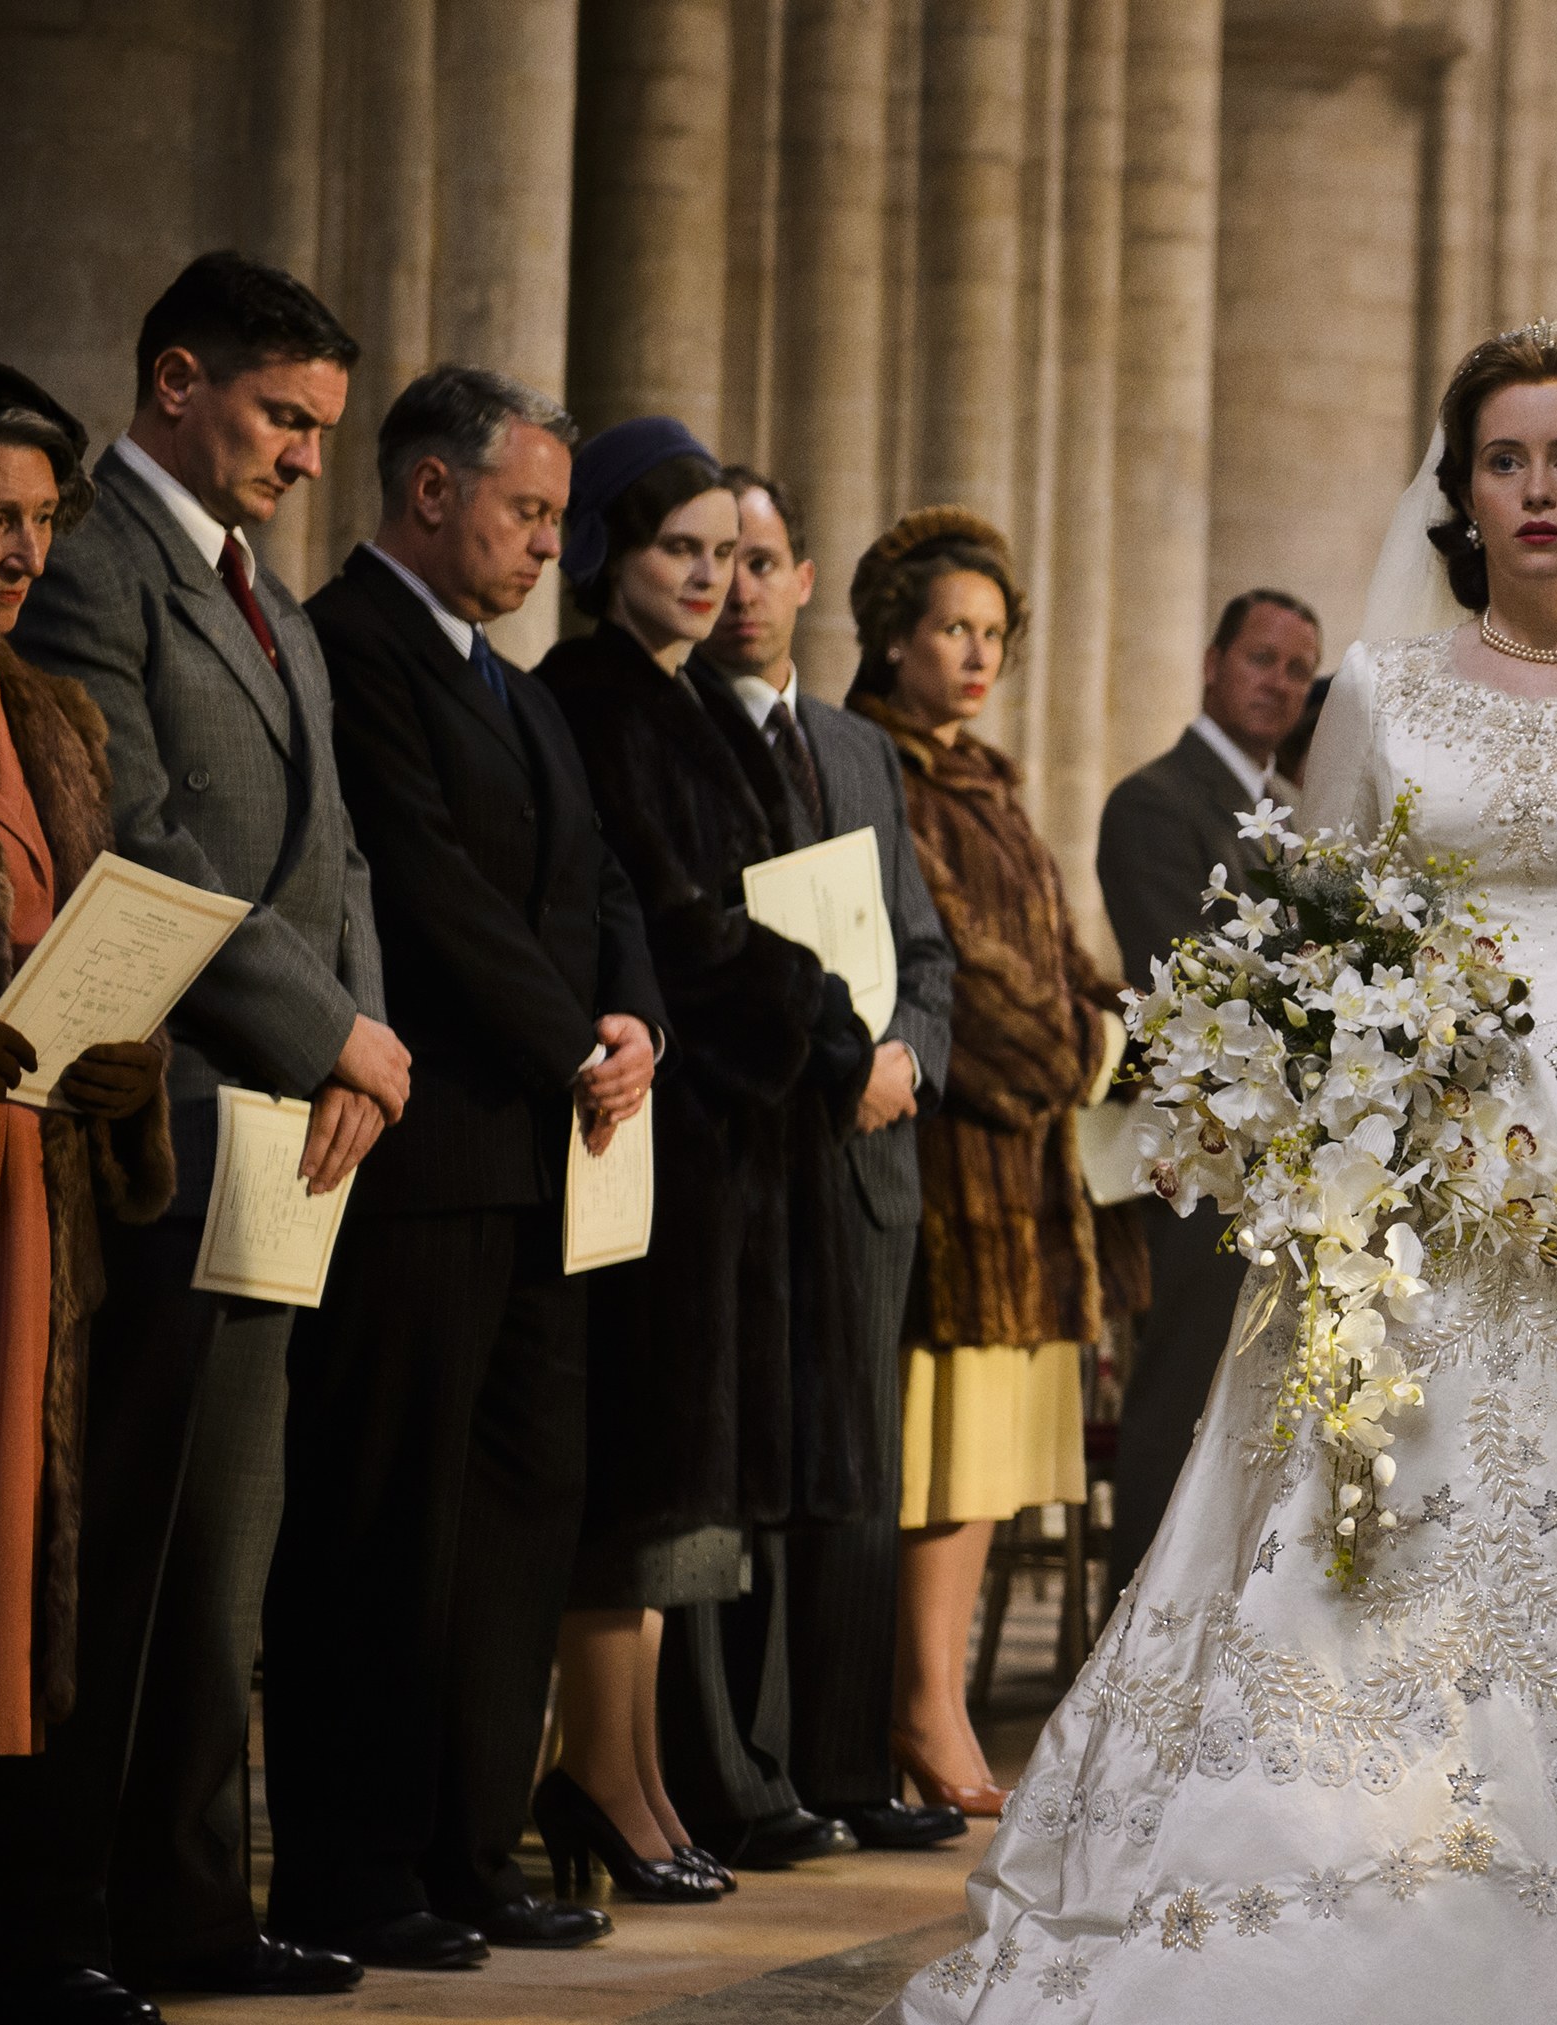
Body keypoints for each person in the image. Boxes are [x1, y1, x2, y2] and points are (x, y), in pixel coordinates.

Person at [889, 322, 1557, 2021]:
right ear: (1461, 490)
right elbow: (1314, 930)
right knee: (1373, 1523)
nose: (1538, 490)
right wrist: (1303, 1098)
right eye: (1505, 460)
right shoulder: (1378, 689)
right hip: (1413, 1172)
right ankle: (1324, 1868)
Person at [10, 252, 398, 2016]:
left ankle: (187, 1902)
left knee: (226, 1544)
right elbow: (137, 839)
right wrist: (331, 1032)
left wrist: (359, 1048)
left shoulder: (269, 598)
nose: (310, 457)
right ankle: (68, 1913)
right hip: (158, 1119)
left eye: (321, 426)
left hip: (287, 1127)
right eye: (284, 417)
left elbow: (340, 854)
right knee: (131, 1549)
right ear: (177, 381)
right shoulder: (96, 569)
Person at [268, 365, 662, 1965]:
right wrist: (573, 1040)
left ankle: (470, 1847)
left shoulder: (514, 684)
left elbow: (603, 876)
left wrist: (635, 1017)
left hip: (546, 1161)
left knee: (514, 1523)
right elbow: (427, 893)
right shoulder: (350, 644)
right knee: (388, 1522)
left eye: (560, 519)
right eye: (531, 511)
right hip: (420, 1158)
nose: (552, 547)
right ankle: (354, 1870)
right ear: (432, 490)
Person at [537, 420, 877, 1905]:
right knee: (644, 1473)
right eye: (680, 548)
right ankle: (604, 1773)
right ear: (611, 548)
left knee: (684, 1480)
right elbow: (685, 923)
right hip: (651, 1128)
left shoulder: (680, 701)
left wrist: (808, 1006)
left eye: (730, 555)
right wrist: (823, 1016)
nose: (710, 577)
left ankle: (638, 1776)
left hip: (722, 1144)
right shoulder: (602, 699)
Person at [653, 464, 965, 1863]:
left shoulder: (854, 749)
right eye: (716, 559)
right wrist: (829, 1063)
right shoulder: (671, 731)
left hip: (865, 1155)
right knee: (736, 1477)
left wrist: (908, 1060)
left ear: (803, 579)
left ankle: (847, 1766)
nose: (740, 587)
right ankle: (737, 1773)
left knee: (857, 1476)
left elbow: (925, 951)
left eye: (763, 560)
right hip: (743, 1146)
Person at [843, 508, 1124, 1821]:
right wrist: (1081, 1047)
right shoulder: (880, 770)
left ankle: (936, 1696)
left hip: (1026, 1175)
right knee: (939, 1456)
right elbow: (963, 971)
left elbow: (1058, 953)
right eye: (952, 629)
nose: (975, 656)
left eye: (994, 634)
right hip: (951, 1160)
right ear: (893, 635)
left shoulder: (989, 781)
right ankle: (920, 1703)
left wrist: (1119, 1022)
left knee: (989, 1465)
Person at [0, 357, 179, 2025]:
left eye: (40, 520)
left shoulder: (50, 708)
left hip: (31, 1186)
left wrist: (127, 1054)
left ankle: (17, 1922)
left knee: (17, 1558)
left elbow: (92, 920)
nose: (20, 552)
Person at [1095, 585, 1319, 1589]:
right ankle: (1128, 1634)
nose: (1280, 683)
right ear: (1213, 662)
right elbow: (1183, 983)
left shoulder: (1290, 819)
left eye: (1298, 669)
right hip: (1202, 1156)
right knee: (1180, 1404)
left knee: (1264, 1418)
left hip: (1290, 1161)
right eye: (1261, 659)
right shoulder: (1154, 801)